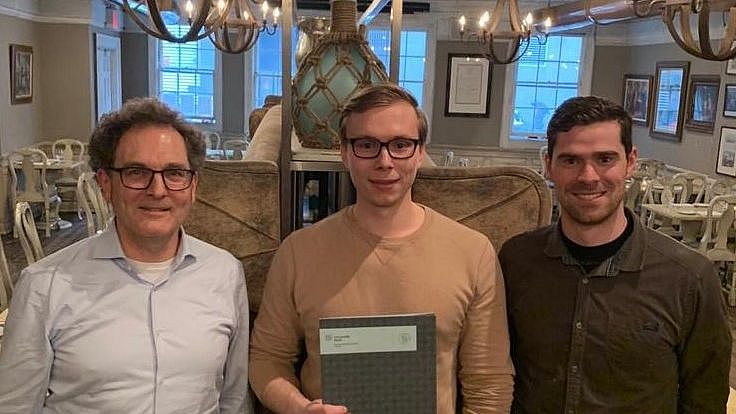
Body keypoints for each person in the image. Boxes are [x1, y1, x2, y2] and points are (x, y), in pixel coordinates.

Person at [249, 83, 514, 413]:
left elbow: (488, 381)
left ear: (420, 152)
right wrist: (299, 408)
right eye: (366, 145)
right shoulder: (298, 253)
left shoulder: (472, 252)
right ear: (344, 152)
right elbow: (267, 359)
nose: (384, 161)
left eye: (400, 145)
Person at [0, 98, 251, 413]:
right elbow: (15, 406)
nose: (157, 190)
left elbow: (234, 399)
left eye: (174, 173)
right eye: (136, 172)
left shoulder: (225, 273)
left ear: (192, 186)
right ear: (105, 184)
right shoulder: (44, 286)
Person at [499, 96, 731, 413]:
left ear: (630, 162)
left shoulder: (690, 278)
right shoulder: (516, 260)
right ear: (548, 165)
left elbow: (705, 399)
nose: (588, 176)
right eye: (570, 160)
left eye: (605, 159)